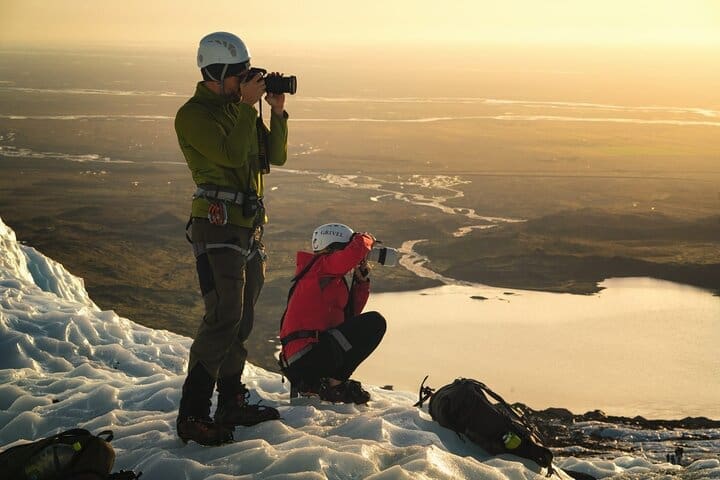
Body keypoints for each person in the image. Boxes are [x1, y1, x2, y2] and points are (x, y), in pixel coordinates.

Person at [174, 31, 288, 445]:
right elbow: (228, 155)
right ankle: (192, 414)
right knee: (223, 315)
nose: (246, 80)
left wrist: (276, 111)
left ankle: (230, 402)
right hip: (217, 225)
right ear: (215, 74)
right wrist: (244, 107)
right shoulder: (193, 116)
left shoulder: (239, 111)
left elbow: (272, 157)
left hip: (246, 226)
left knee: (241, 318)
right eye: (239, 74)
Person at [279, 223, 387, 404]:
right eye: (344, 249)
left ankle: (325, 385)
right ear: (332, 248)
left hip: (309, 357)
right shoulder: (319, 267)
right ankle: (333, 386)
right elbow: (353, 253)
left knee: (368, 326)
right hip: (306, 358)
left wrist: (361, 283)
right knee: (375, 322)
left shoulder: (329, 279)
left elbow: (350, 319)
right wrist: (364, 239)